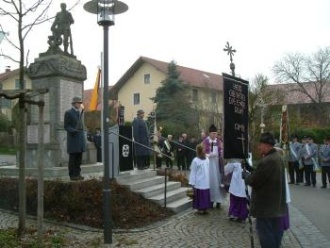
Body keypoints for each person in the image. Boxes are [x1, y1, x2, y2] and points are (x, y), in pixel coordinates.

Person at [243, 132, 287, 248]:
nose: (259, 147)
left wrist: (246, 176)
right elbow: (264, 176)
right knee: (274, 235)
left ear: (267, 145)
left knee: (266, 237)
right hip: (274, 206)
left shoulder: (267, 161)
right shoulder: (277, 157)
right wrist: (251, 169)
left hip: (266, 208)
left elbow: (255, 181)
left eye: (260, 144)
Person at [64, 96, 86, 181]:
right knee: (73, 159)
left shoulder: (79, 113)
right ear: (74, 103)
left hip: (80, 139)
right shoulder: (68, 113)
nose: (80, 104)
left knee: (79, 159)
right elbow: (66, 126)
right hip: (73, 139)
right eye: (78, 103)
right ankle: (72, 175)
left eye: (80, 103)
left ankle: (78, 173)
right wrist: (73, 130)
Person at [203, 124, 225, 208]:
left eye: (215, 133)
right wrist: (208, 155)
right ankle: (211, 200)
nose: (214, 135)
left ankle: (218, 200)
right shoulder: (205, 141)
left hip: (217, 164)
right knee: (211, 181)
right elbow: (202, 152)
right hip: (209, 164)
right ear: (209, 133)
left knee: (218, 181)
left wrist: (222, 152)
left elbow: (222, 150)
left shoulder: (218, 141)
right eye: (213, 133)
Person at [189, 143, 212, 214]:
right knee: (200, 195)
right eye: (203, 149)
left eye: (204, 149)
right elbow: (193, 172)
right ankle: (200, 208)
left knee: (205, 195)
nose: (204, 150)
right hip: (199, 181)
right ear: (200, 151)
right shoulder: (195, 160)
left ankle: (205, 208)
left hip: (206, 180)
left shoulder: (207, 159)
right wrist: (192, 183)